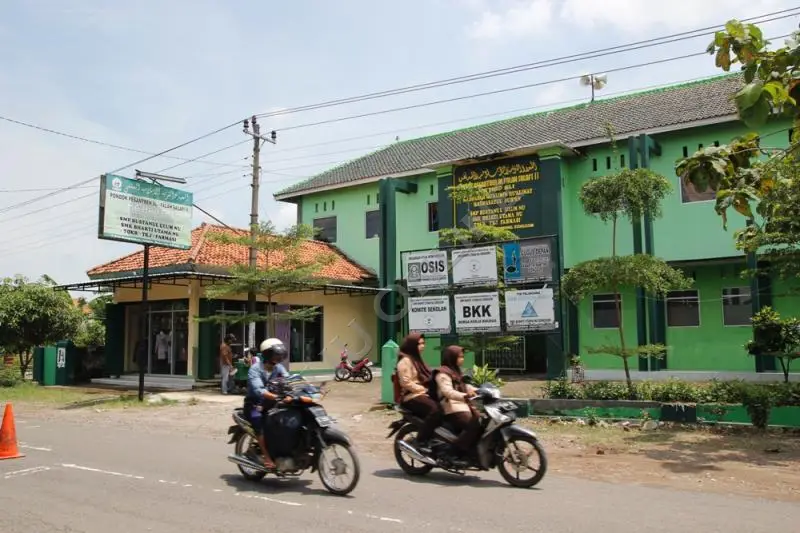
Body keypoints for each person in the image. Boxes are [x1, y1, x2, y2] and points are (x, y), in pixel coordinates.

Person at [246, 338, 289, 469]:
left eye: (281, 354)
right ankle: (267, 457)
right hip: (255, 404)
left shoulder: (279, 368)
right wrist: (273, 396)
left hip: (273, 402)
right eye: (276, 354)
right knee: (259, 423)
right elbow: (259, 389)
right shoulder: (255, 369)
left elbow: (289, 380)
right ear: (267, 354)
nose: (279, 357)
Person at [396, 332, 441, 453]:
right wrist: (423, 390)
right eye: (419, 344)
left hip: (422, 393)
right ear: (412, 345)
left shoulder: (417, 359)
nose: (422, 346)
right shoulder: (405, 361)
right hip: (411, 396)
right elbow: (406, 383)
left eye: (423, 343)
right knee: (435, 410)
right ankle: (421, 441)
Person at [434, 345, 481, 457]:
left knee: (482, 421)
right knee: (473, 425)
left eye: (462, 357)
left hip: (461, 404)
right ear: (452, 357)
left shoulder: (455, 371)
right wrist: (465, 396)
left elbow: (463, 386)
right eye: (459, 357)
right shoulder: (443, 373)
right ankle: (455, 452)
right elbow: (448, 392)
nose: (462, 359)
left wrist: (480, 390)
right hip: (450, 406)